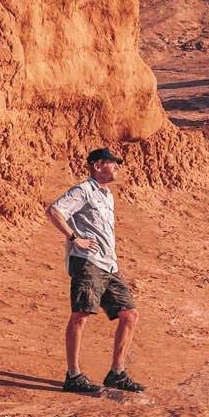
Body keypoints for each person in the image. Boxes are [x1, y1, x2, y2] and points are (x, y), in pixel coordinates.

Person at [47, 148, 144, 396]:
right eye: (114, 164)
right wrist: (74, 237)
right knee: (80, 316)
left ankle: (117, 374)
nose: (117, 168)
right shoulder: (83, 191)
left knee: (129, 315)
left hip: (109, 265)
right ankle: (73, 376)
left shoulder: (107, 195)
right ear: (98, 165)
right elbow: (54, 211)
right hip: (87, 262)